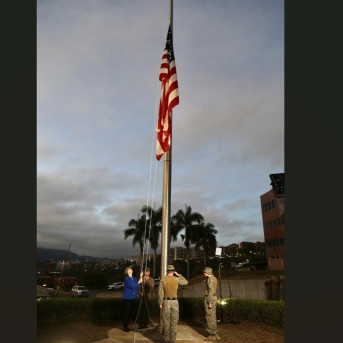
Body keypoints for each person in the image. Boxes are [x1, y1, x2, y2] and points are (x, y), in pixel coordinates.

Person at [158, 265, 188, 343]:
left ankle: (166, 340)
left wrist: (160, 303)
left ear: (167, 271)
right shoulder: (177, 279)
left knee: (166, 322)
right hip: (175, 302)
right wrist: (179, 275)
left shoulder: (162, 280)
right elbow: (185, 282)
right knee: (174, 323)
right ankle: (172, 340)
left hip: (166, 302)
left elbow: (160, 293)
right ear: (173, 271)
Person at [122, 267, 143, 332]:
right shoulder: (127, 279)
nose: (131, 269)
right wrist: (139, 281)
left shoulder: (133, 278)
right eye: (129, 269)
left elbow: (138, 284)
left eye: (131, 269)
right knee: (127, 312)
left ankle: (127, 325)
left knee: (130, 312)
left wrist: (140, 277)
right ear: (127, 271)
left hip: (133, 297)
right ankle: (125, 326)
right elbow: (132, 286)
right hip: (127, 298)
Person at [203, 267, 220, 341]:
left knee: (210, 316)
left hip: (210, 298)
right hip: (213, 297)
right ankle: (215, 334)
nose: (203, 273)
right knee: (213, 316)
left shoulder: (210, 279)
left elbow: (210, 290)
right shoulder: (214, 278)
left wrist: (209, 302)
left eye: (204, 272)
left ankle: (212, 335)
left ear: (207, 272)